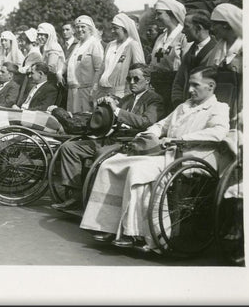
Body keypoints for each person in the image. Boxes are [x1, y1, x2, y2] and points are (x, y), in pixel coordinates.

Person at [81, 67, 230, 250]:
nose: (190, 89)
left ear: (211, 86)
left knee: (138, 171)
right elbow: (161, 125)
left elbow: (218, 132)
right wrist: (149, 134)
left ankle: (134, 232)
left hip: (191, 157)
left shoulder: (219, 108)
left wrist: (181, 139)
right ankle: (106, 225)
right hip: (167, 154)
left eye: (195, 85)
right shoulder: (183, 107)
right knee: (110, 164)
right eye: (189, 85)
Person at [51, 63, 164, 209]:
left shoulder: (154, 99)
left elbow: (146, 122)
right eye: (129, 79)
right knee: (69, 148)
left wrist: (116, 110)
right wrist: (104, 105)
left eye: (136, 79)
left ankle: (96, 201)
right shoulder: (127, 99)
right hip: (111, 139)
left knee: (100, 153)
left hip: (130, 142)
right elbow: (111, 115)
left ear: (147, 80)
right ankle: (75, 194)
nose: (131, 82)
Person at [93, 13, 146, 102]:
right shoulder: (110, 45)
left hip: (121, 94)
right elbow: (102, 68)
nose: (112, 31)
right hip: (102, 92)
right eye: (112, 28)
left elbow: (139, 70)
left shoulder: (132, 45)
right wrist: (95, 87)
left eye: (115, 28)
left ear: (125, 29)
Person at [171, 10, 218, 107]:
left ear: (199, 28)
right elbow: (179, 81)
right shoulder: (189, 52)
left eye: (186, 27)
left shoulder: (217, 53)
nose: (183, 31)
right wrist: (178, 103)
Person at [148, 0, 188, 112]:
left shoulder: (183, 36)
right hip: (157, 87)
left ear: (171, 14)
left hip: (174, 86)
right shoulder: (160, 37)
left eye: (159, 13)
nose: (156, 18)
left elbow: (186, 66)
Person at [65, 15, 104, 112]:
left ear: (90, 29)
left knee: (84, 117)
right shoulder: (77, 45)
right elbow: (68, 62)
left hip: (86, 91)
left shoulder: (94, 44)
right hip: (73, 91)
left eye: (83, 27)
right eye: (77, 27)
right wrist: (59, 72)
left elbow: (99, 69)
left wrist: (94, 89)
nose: (79, 30)